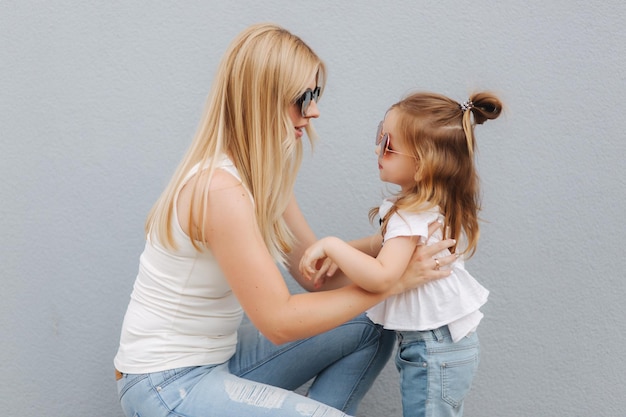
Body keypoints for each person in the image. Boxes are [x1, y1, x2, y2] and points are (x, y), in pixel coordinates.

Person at [113, 24, 457, 417]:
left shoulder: (263, 178)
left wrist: (394, 247)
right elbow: (278, 321)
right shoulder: (220, 191)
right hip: (165, 384)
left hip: (218, 361)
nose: (314, 111)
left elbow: (317, 276)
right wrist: (393, 282)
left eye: (316, 95)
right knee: (375, 304)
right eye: (303, 98)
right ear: (263, 100)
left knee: (371, 325)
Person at [299, 91, 503, 417]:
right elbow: (379, 245)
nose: (378, 148)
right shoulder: (421, 207)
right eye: (380, 135)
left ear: (422, 165)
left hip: (435, 349)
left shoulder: (411, 214)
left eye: (389, 145)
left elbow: (382, 275)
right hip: (444, 347)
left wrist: (333, 245)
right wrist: (342, 251)